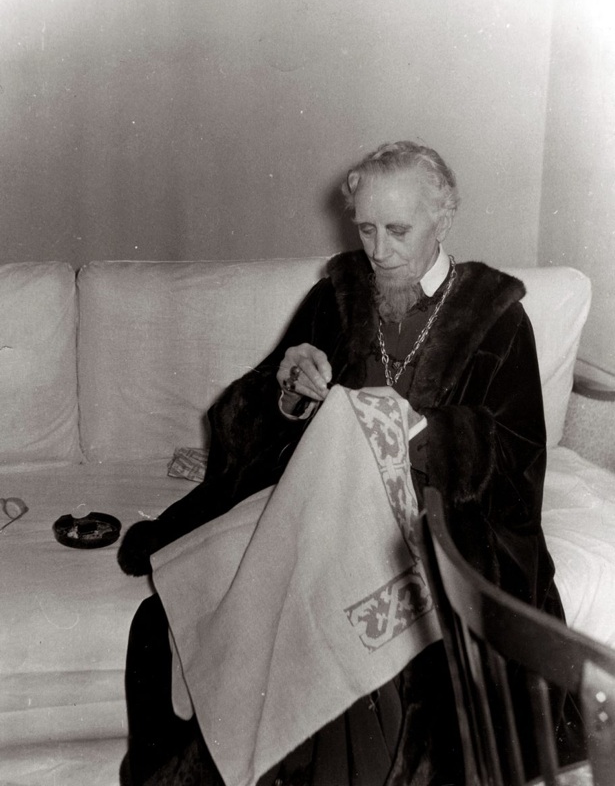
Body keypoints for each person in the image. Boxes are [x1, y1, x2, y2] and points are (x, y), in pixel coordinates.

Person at [118, 141, 573, 785]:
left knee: (363, 661)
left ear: (444, 220)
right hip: (317, 514)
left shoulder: (494, 320)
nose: (379, 251)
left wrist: (417, 433)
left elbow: (518, 467)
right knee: (165, 616)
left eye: (398, 230)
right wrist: (288, 394)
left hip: (431, 534)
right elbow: (243, 426)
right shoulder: (339, 298)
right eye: (365, 228)